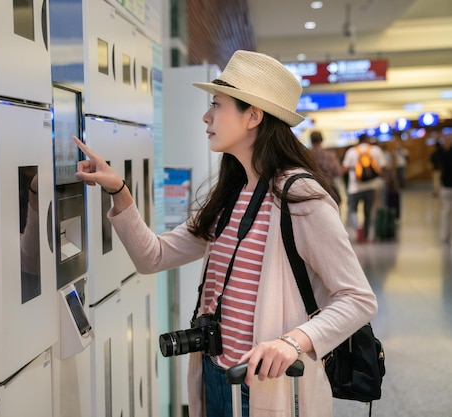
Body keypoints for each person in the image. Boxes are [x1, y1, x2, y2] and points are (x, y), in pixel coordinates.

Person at [73, 50, 377, 417]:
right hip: (216, 378)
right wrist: (119, 191)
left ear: (253, 115)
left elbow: (357, 299)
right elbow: (152, 256)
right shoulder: (230, 194)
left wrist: (292, 343)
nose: (206, 115)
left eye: (217, 104)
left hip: (269, 389)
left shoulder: (299, 196)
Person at [342, 133, 387, 242]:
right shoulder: (375, 150)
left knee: (352, 209)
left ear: (359, 141)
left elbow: (345, 169)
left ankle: (358, 228)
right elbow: (384, 166)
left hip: (354, 187)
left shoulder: (351, 151)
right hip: (371, 186)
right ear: (367, 140)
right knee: (368, 212)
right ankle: (366, 235)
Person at [309, 130, 343, 206]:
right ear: (322, 139)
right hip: (330, 189)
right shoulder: (330, 155)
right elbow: (338, 172)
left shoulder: (307, 156)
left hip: (314, 192)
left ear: (311, 140)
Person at [438, 134, 452, 244]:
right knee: (446, 212)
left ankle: (445, 236)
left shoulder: (444, 154)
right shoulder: (445, 154)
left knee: (446, 212)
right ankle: (445, 235)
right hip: (446, 186)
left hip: (446, 186)